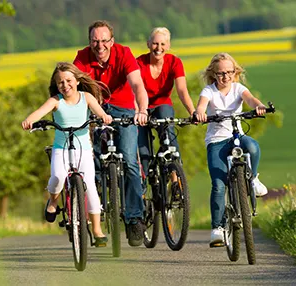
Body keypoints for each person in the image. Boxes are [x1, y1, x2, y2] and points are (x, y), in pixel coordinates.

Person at [73, 20, 149, 247]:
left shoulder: (124, 53)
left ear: (112, 41)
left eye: (104, 40)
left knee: (130, 161)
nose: (100, 45)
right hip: (94, 108)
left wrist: (142, 110)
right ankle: (93, 210)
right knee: (89, 161)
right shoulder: (82, 57)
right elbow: (72, 87)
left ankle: (134, 218)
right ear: (90, 42)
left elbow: (137, 85)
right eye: (95, 41)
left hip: (123, 108)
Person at [22, 62, 113, 246]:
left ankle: (96, 230)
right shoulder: (56, 101)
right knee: (58, 176)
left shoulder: (86, 97)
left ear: (78, 81)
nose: (65, 85)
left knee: (90, 186)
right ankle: (53, 202)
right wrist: (29, 121)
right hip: (61, 148)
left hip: (83, 149)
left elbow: (99, 112)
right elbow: (39, 112)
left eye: (69, 80)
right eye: (60, 82)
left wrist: (105, 117)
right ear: (57, 85)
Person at [194, 52, 268, 247]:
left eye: (229, 72)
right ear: (213, 74)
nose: (225, 77)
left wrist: (259, 106)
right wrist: (200, 113)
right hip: (216, 141)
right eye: (220, 73)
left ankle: (252, 179)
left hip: (237, 136)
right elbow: (201, 106)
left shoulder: (238, 88)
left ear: (235, 72)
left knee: (252, 146)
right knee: (218, 185)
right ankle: (217, 229)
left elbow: (250, 99)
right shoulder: (209, 91)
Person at [136, 27, 196, 185]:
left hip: (161, 105)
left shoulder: (174, 62)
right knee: (143, 151)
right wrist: (138, 112)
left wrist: (193, 112)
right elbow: (133, 90)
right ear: (148, 44)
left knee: (168, 131)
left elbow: (182, 90)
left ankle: (176, 178)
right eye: (155, 44)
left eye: (163, 44)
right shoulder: (139, 63)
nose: (158, 48)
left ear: (168, 46)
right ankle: (143, 190)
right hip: (141, 107)